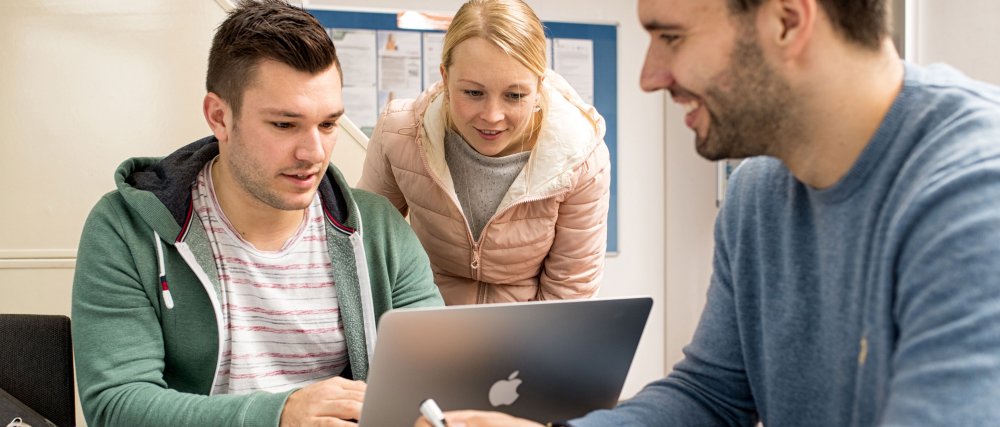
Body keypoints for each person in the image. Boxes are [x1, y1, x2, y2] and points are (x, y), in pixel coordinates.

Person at [415, 0, 1000, 425]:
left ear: (786, 21)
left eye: (671, 37)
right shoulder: (758, 193)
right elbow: (712, 395)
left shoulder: (972, 194)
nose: (649, 77)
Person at [71, 1, 443, 425]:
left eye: (327, 124)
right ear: (219, 116)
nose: (313, 154)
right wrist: (280, 414)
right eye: (284, 125)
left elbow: (433, 380)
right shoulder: (125, 230)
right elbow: (116, 407)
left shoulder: (379, 230)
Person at [357, 0, 611, 305]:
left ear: (539, 85)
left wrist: (535, 351)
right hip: (424, 322)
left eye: (514, 95)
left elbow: (569, 293)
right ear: (446, 78)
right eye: (473, 93)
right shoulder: (399, 133)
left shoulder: (580, 157)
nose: (492, 116)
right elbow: (366, 252)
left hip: (525, 336)